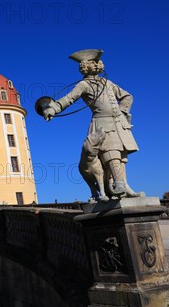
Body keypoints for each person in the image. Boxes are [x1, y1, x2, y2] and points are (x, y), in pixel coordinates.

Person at [41, 49, 142, 200]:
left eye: (97, 62)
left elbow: (127, 96)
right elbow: (69, 99)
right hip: (102, 122)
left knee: (121, 156)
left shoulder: (107, 82)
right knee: (111, 151)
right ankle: (119, 184)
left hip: (118, 122)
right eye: (93, 62)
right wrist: (54, 108)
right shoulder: (83, 85)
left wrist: (123, 112)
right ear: (85, 66)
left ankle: (124, 185)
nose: (97, 64)